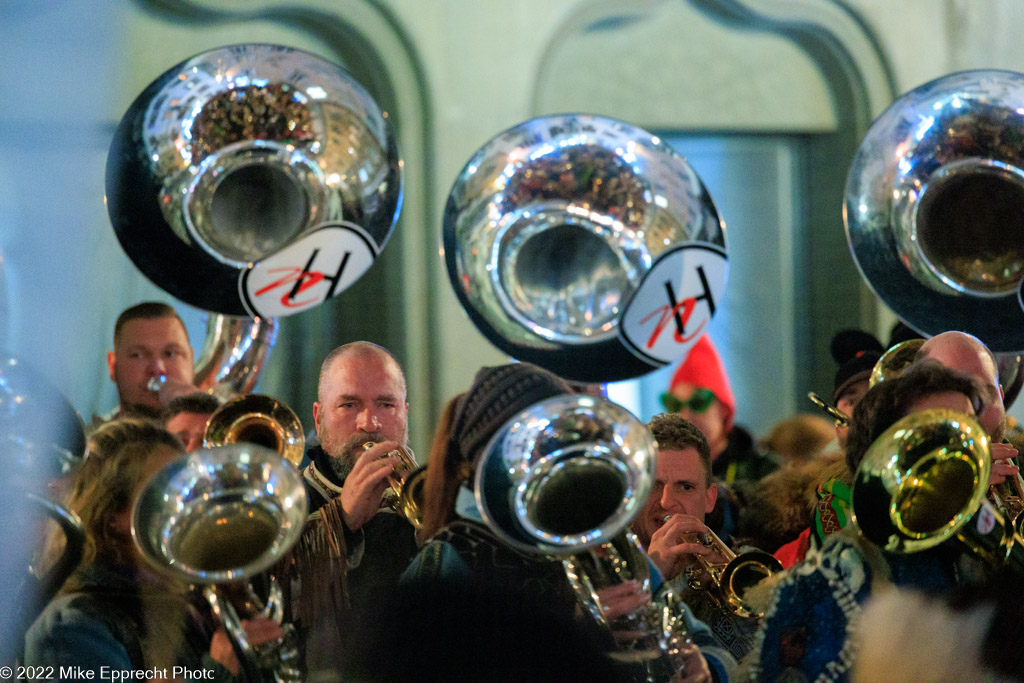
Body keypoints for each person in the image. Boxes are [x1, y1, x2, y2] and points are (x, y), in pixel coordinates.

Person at [404, 364, 716, 682]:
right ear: (490, 459)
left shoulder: (600, 535)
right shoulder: (451, 557)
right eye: (541, 444)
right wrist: (578, 638)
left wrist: (704, 667)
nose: (561, 457)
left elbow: (705, 643)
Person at [745, 362, 987, 681]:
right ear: (884, 453)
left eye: (969, 429)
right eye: (939, 432)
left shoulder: (988, 536)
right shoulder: (836, 579)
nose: (963, 449)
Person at [24, 419, 279, 679]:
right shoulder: (71, 626)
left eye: (189, 490)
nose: (190, 506)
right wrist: (221, 671)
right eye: (166, 492)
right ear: (111, 515)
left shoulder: (187, 604)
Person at [283, 341, 418, 677]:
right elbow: (266, 604)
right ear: (318, 416)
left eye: (386, 404)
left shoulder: (434, 499)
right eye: (349, 405)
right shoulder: (283, 503)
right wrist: (340, 522)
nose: (369, 423)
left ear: (405, 412)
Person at [632, 413, 759, 663]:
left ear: (710, 498)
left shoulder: (742, 568)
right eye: (654, 485)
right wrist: (652, 577)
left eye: (685, 487)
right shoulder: (602, 573)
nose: (667, 501)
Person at [105, 302, 197, 420]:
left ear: (191, 360)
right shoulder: (86, 439)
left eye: (170, 354)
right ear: (112, 366)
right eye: (137, 355)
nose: (157, 369)